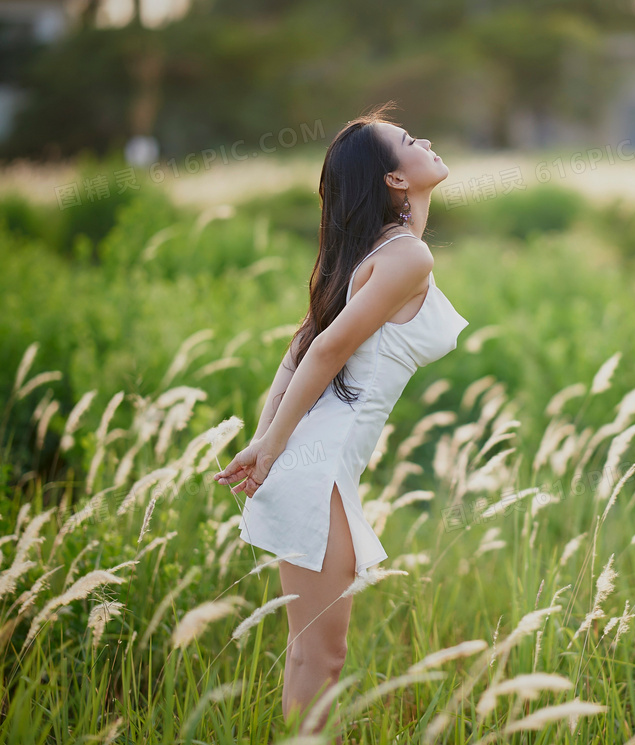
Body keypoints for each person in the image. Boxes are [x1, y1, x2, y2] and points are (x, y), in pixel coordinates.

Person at [212, 101, 468, 737]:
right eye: (409, 139)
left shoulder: (379, 252)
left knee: (309, 654)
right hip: (316, 467)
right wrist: (271, 447)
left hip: (314, 463)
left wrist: (269, 440)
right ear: (393, 180)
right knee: (322, 658)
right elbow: (320, 350)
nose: (427, 139)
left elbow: (296, 350)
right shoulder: (406, 258)